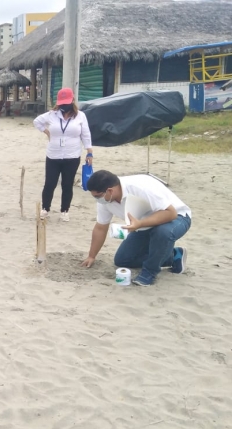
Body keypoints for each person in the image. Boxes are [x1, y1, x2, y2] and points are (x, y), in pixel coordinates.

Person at [82, 170, 192, 286]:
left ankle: (149, 272)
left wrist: (140, 224)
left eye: (98, 196)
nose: (97, 200)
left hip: (178, 218)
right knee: (122, 260)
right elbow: (100, 228)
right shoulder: (105, 201)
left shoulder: (140, 188)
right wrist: (91, 256)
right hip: (144, 224)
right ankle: (173, 256)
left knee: (162, 232)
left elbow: (171, 213)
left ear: (110, 190)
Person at [33, 87, 93, 222]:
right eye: (62, 103)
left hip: (72, 155)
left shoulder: (80, 116)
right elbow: (37, 121)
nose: (64, 106)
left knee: (67, 184)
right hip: (53, 155)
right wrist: (46, 132)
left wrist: (89, 152)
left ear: (72, 100)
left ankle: (65, 210)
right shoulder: (52, 114)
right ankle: (45, 208)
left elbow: (86, 134)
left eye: (67, 103)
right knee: (50, 183)